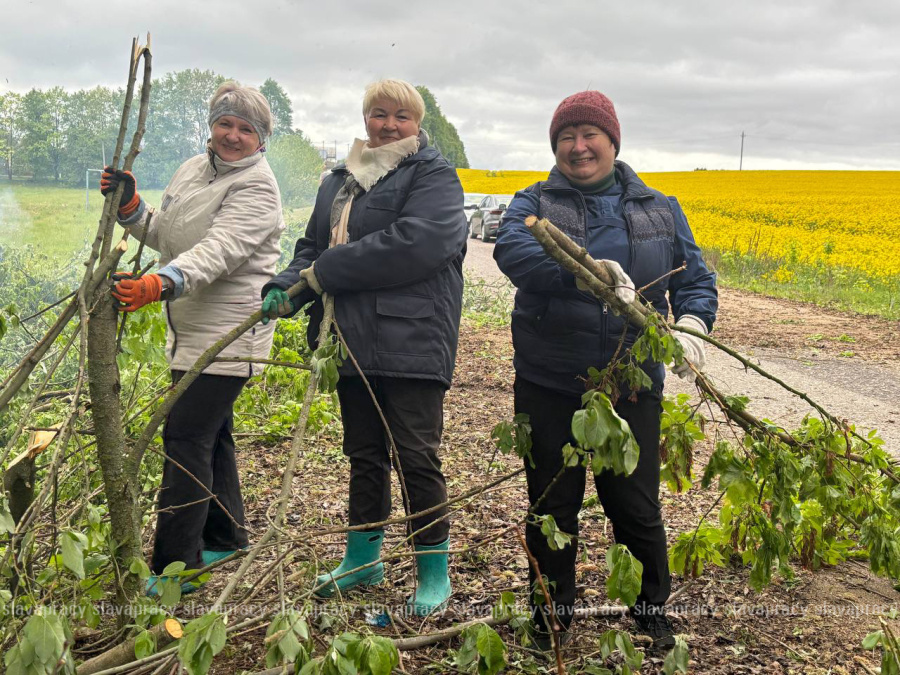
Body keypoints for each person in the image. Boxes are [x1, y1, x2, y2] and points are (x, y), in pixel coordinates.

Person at [493, 90, 717, 649]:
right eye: (566, 137)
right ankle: (551, 617)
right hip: (551, 379)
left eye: (589, 134)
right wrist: (585, 274)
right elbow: (513, 251)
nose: (578, 146)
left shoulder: (660, 208)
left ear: (613, 141)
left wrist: (692, 325)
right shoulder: (535, 200)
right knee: (552, 503)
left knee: (635, 503)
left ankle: (650, 610)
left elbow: (694, 279)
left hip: (632, 381)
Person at [261, 79, 467, 615]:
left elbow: (417, 244)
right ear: (366, 118)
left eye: (402, 116)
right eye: (379, 114)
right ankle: (363, 558)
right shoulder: (341, 179)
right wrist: (286, 286)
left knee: (415, 456)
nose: (389, 125)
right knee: (364, 454)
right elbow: (313, 245)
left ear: (417, 123)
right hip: (347, 337)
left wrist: (323, 272)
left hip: (413, 337)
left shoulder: (434, 176)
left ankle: (433, 571)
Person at [100, 82, 284, 594]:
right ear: (212, 125)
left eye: (246, 129)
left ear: (261, 139)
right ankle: (225, 536)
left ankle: (177, 567)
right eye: (226, 123)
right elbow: (167, 235)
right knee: (210, 434)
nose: (233, 135)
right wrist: (133, 208)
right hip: (193, 327)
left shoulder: (258, 188)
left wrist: (161, 283)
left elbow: (219, 251)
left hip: (229, 334)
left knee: (185, 438)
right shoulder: (192, 169)